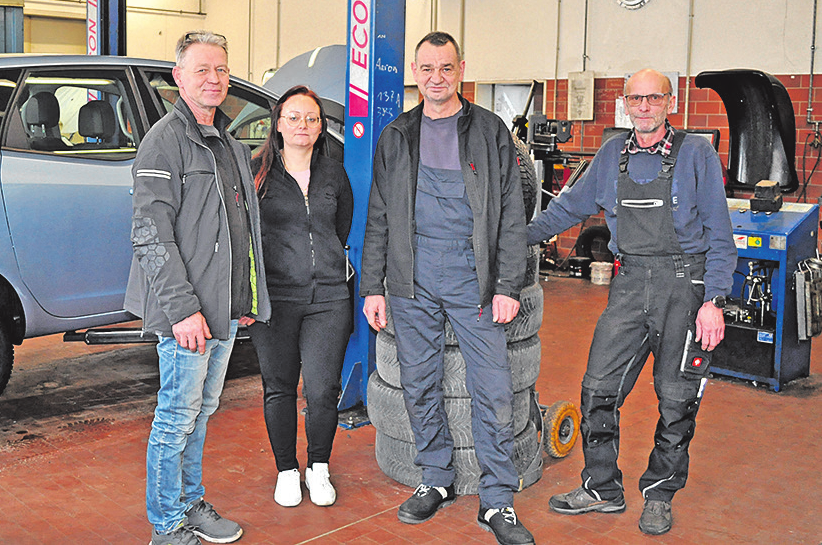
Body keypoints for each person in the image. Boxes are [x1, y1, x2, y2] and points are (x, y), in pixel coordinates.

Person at [528, 69, 737, 535]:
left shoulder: (696, 154)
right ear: (625, 104)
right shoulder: (610, 156)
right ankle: (601, 487)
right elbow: (566, 209)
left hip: (686, 287)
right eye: (635, 99)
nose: (643, 106)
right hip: (628, 286)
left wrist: (715, 301)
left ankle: (660, 492)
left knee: (677, 399)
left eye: (653, 98)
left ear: (670, 102)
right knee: (598, 388)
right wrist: (516, 239)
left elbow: (722, 237)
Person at [361, 31, 535, 545]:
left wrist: (508, 284)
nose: (436, 78)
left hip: (474, 277)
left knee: (493, 387)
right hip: (411, 278)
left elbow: (510, 214)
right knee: (417, 382)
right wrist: (373, 285)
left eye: (446, 68)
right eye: (427, 69)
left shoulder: (490, 130)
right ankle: (436, 478)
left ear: (462, 69)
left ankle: (497, 498)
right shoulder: (396, 136)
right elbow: (379, 216)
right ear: (416, 73)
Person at [125, 30, 270, 545]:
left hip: (222, 307)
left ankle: (189, 502)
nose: (215, 79)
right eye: (203, 70)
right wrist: (183, 309)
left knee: (201, 413)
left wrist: (246, 299)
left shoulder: (226, 141)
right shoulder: (164, 140)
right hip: (188, 312)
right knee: (175, 416)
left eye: (222, 70)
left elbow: (239, 229)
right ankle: (165, 527)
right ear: (178, 78)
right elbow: (150, 233)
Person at [247, 85, 354, 508]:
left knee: (324, 388)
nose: (302, 125)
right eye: (293, 117)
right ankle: (287, 470)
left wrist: (323, 262)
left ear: (321, 126)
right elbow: (246, 236)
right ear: (277, 123)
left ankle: (319, 467)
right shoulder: (256, 171)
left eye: (311, 118)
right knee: (279, 387)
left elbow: (340, 227)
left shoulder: (334, 173)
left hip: (328, 296)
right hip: (274, 299)